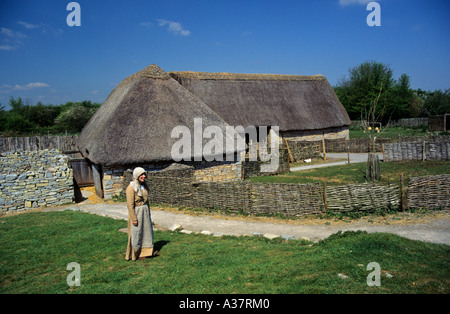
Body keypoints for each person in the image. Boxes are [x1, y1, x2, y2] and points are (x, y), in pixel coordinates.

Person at [125, 167, 158, 260]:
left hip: (145, 212)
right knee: (137, 233)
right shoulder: (131, 188)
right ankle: (136, 253)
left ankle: (146, 252)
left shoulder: (144, 186)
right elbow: (130, 205)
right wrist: (134, 218)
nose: (143, 176)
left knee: (146, 232)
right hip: (137, 212)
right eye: (141, 175)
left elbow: (146, 201)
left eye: (144, 174)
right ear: (136, 175)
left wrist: (148, 211)